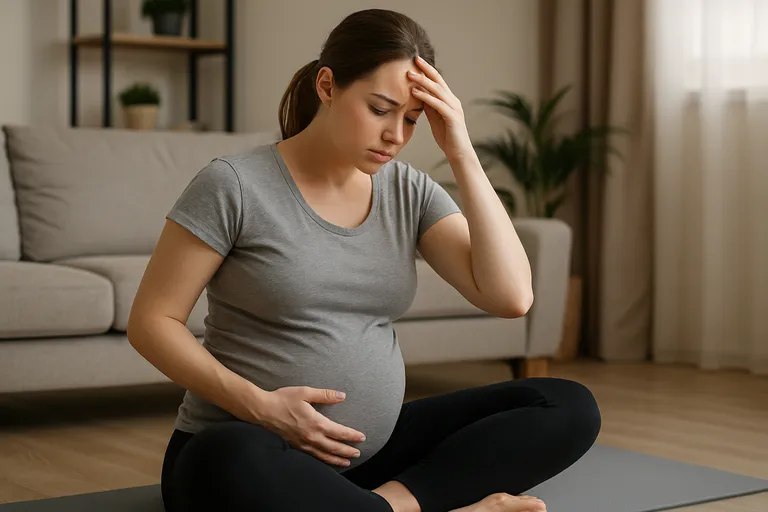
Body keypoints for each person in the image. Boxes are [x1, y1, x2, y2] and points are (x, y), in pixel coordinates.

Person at [127, 8, 601, 512]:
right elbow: (152, 322)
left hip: (370, 456)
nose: (396, 135)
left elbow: (511, 297)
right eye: (380, 109)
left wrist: (461, 149)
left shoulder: (409, 192)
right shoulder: (234, 184)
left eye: (413, 119)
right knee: (225, 458)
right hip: (251, 445)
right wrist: (264, 409)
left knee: (567, 406)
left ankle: (389, 507)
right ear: (327, 86)